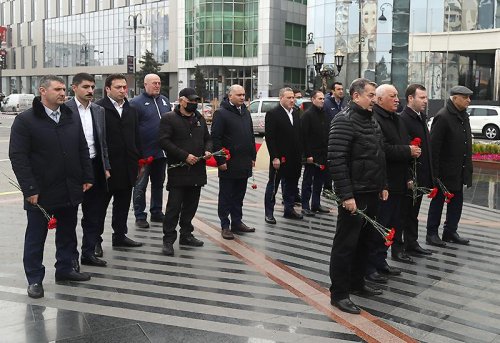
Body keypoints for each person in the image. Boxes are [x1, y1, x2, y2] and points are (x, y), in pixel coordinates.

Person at [9, 75, 94, 299]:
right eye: (57, 89)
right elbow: (18, 157)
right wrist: (30, 189)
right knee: (35, 237)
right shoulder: (25, 120)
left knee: (67, 233)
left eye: (64, 89)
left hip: (69, 187)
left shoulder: (70, 116)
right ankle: (35, 279)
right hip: (41, 191)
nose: (62, 93)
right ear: (43, 91)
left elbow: (82, 148)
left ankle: (65, 269)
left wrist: (87, 176)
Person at [328, 78, 387, 314]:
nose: (374, 99)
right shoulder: (343, 120)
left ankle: (357, 282)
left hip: (372, 191)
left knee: (366, 241)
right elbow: (337, 159)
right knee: (345, 244)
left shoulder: (371, 119)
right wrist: (346, 195)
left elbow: (378, 154)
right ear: (355, 96)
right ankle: (339, 293)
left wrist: (382, 184)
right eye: (371, 95)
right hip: (354, 195)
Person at [367, 84, 421, 284]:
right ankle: (370, 267)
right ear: (380, 100)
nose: (397, 99)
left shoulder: (396, 119)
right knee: (379, 227)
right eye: (392, 96)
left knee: (392, 225)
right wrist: (408, 151)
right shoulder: (375, 119)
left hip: (399, 183)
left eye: (397, 96)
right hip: (384, 183)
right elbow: (383, 150)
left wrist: (408, 176)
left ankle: (381, 261)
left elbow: (404, 145)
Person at [158, 88, 212, 256]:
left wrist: (208, 150)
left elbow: (208, 138)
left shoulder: (199, 119)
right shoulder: (169, 118)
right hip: (178, 170)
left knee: (191, 205)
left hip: (197, 170)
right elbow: (163, 141)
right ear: (181, 101)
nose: (194, 104)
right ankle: (168, 240)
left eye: (196, 101)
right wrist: (184, 156)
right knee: (174, 206)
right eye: (191, 101)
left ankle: (186, 234)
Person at [95, 74, 143, 253]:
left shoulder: (131, 109)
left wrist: (140, 160)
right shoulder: (98, 108)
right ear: (107, 89)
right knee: (100, 207)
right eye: (118, 87)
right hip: (107, 167)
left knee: (122, 205)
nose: (123, 90)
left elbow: (136, 137)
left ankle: (120, 236)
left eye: (124, 87)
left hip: (128, 165)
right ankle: (95, 241)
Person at [66, 73, 110, 268]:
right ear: (74, 88)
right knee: (69, 215)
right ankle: (70, 258)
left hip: (95, 167)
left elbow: (103, 142)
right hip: (73, 169)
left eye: (92, 86)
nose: (90, 90)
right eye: (85, 87)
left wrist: (106, 166)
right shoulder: (64, 109)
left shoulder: (98, 110)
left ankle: (88, 252)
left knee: (94, 213)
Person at [426, 86, 473, 247]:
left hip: (459, 170)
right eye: (465, 97)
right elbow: (434, 147)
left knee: (457, 202)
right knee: (438, 203)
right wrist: (435, 174)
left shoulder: (463, 116)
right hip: (444, 172)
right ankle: (432, 233)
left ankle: (450, 231)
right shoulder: (443, 116)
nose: (469, 100)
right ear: (455, 98)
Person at [211, 85, 256, 240]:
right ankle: (225, 225)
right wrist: (220, 160)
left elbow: (251, 136)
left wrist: (253, 156)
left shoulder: (246, 113)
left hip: (244, 161)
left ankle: (237, 221)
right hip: (229, 162)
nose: (242, 97)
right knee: (226, 195)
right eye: (239, 95)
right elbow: (216, 139)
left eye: (244, 94)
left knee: (239, 194)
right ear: (230, 96)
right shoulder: (221, 113)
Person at [130, 74, 171, 229]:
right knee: (140, 185)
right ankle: (140, 215)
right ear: (145, 84)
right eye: (154, 83)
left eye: (159, 83)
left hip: (161, 153)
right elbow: (131, 128)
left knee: (158, 184)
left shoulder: (165, 101)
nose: (157, 86)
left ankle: (156, 211)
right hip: (143, 155)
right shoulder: (135, 103)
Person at [399, 84, 433, 256]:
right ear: (410, 98)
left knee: (414, 212)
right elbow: (404, 150)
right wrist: (408, 177)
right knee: (405, 213)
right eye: (422, 97)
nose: (425, 101)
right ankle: (402, 246)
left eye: (426, 97)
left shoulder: (421, 117)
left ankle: (412, 243)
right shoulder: (403, 119)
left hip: (420, 174)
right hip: (410, 177)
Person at [264, 87, 303, 224]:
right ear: (281, 98)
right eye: (289, 97)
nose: (292, 100)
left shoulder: (297, 112)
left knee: (292, 184)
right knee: (273, 185)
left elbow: (298, 134)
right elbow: (270, 138)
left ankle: (289, 209)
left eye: (293, 97)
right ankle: (269, 213)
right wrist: (275, 157)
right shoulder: (273, 114)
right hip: (280, 157)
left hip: (295, 157)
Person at [300, 90, 330, 216]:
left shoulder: (324, 113)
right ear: (313, 99)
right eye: (320, 99)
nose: (322, 101)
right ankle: (305, 205)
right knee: (308, 180)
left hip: (323, 153)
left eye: (323, 99)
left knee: (319, 181)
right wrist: (308, 155)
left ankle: (316, 204)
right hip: (311, 154)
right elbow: (304, 137)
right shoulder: (307, 115)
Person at [323, 82, 345, 193]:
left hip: (340, 137)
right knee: (329, 163)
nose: (341, 91)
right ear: (333, 91)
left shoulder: (342, 103)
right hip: (330, 138)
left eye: (342, 89)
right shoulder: (327, 103)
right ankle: (327, 188)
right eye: (338, 89)